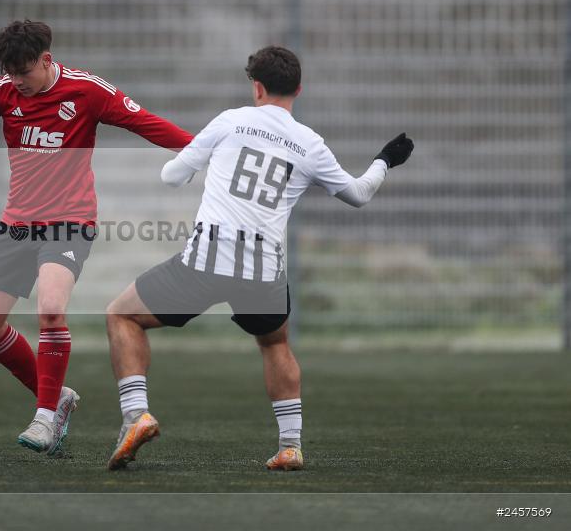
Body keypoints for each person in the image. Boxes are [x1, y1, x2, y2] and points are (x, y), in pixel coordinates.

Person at [0, 20, 193, 455]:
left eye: (24, 73)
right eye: (10, 73)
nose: (17, 83)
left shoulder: (87, 91)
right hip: (17, 223)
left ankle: (45, 418)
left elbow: (145, 123)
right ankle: (59, 395)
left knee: (51, 308)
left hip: (70, 220)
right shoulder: (3, 92)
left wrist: (202, 149)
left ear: (46, 60)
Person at [104, 46, 414, 471]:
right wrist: (384, 160)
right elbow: (359, 195)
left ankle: (136, 416)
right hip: (263, 269)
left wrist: (200, 164)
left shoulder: (231, 121)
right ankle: (290, 446)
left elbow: (171, 177)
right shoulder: (311, 144)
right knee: (275, 343)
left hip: (208, 258)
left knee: (122, 315)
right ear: (299, 89)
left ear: (257, 87)